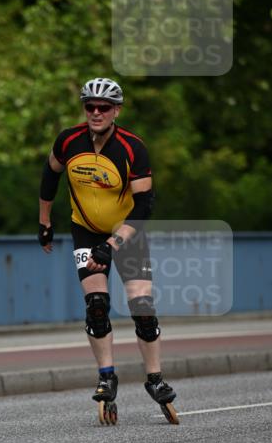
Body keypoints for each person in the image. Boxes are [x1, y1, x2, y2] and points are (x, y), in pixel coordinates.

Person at [37, 76, 176, 412]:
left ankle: (154, 378)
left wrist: (111, 245)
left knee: (142, 308)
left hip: (127, 233)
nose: (96, 112)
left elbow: (144, 205)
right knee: (96, 305)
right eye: (90, 106)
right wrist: (44, 221)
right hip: (85, 230)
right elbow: (50, 174)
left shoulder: (132, 147)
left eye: (104, 107)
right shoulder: (68, 140)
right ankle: (106, 375)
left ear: (117, 110)